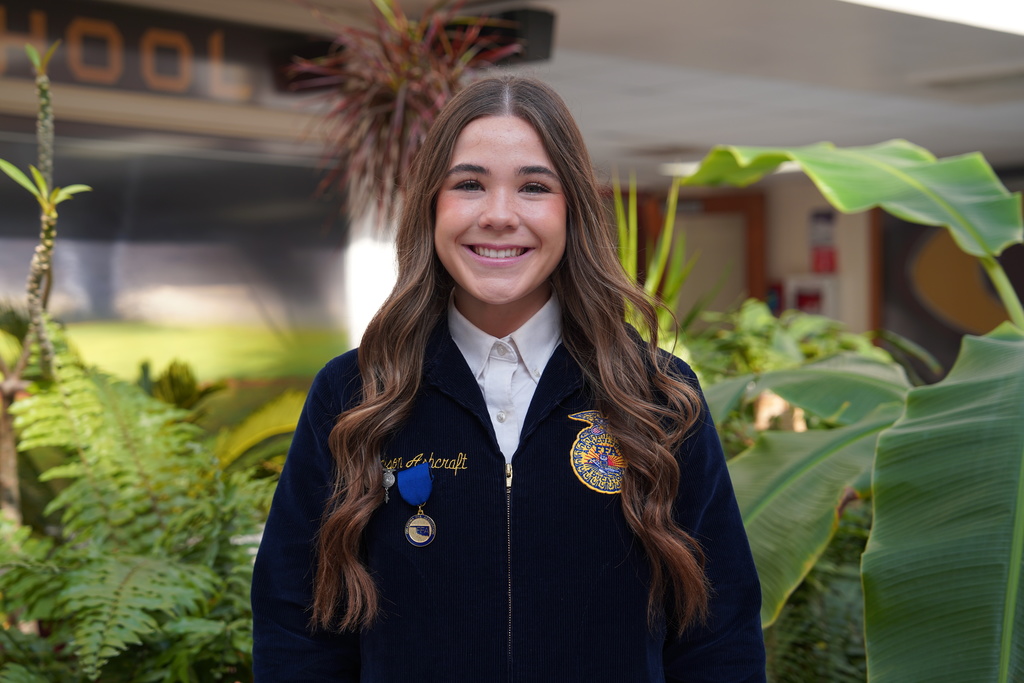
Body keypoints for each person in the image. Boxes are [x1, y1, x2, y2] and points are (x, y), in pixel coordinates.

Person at [251, 75, 766, 682]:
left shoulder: (656, 396)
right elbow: (295, 629)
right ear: (431, 206)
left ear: (573, 210)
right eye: (469, 184)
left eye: (534, 187)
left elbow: (719, 637)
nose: (499, 215)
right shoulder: (355, 395)